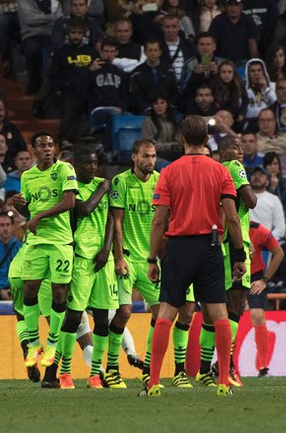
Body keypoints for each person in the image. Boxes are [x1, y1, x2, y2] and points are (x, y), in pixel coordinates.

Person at [144, 115, 245, 397]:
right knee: (218, 313)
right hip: (210, 247)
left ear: (182, 139)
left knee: (167, 311)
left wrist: (152, 259)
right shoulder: (220, 171)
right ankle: (223, 381)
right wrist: (238, 255)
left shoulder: (169, 172)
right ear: (207, 139)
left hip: (178, 248)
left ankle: (153, 383)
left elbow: (159, 220)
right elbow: (233, 218)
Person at [11, 132, 77, 372]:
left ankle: (52, 342)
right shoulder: (28, 176)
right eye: (42, 146)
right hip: (37, 241)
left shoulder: (65, 170)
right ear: (34, 150)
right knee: (29, 288)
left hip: (60, 241)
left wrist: (37, 215)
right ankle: (33, 343)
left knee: (59, 293)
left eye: (51, 145)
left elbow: (69, 202)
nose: (48, 149)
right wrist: (23, 208)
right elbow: (30, 212)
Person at [196, 135, 257, 389]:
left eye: (242, 146)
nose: (240, 151)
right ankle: (226, 364)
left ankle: (203, 369)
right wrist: (241, 245)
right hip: (233, 245)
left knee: (213, 312)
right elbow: (251, 201)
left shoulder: (216, 171)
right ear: (222, 152)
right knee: (235, 304)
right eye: (235, 147)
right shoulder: (233, 167)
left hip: (216, 244)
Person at [54, 146, 117, 390]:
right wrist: (102, 189)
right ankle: (66, 373)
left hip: (103, 259)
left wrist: (107, 249)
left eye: (94, 163)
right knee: (73, 316)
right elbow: (84, 210)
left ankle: (94, 374)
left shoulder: (104, 184)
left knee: (102, 319)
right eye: (86, 164)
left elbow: (112, 217)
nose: (92, 167)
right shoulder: (72, 187)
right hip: (81, 257)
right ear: (75, 165)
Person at [105, 138, 160, 389]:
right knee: (124, 312)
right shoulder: (121, 182)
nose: (150, 161)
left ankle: (149, 369)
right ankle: (112, 369)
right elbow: (116, 222)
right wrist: (118, 257)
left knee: (161, 314)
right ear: (134, 157)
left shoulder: (161, 181)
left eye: (153, 156)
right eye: (145, 156)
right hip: (127, 256)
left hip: (151, 260)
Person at [49, 18, 97, 143]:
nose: (76, 36)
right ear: (68, 34)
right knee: (72, 102)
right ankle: (64, 139)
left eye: (79, 33)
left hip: (90, 90)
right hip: (68, 91)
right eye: (73, 33)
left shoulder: (92, 52)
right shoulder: (60, 53)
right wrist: (86, 71)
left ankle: (94, 138)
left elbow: (97, 73)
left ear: (84, 34)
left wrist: (83, 74)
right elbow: (54, 79)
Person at [247, 221, 284, 377]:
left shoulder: (258, 230)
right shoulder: (222, 227)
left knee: (257, 315)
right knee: (224, 319)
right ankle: (222, 364)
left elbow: (279, 253)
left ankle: (263, 366)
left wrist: (265, 279)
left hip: (254, 277)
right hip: (229, 276)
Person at [129, 39, 180, 114]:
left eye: (155, 50)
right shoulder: (136, 73)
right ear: (145, 52)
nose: (153, 53)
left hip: (167, 111)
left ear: (160, 52)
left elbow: (175, 93)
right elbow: (135, 97)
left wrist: (167, 106)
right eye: (150, 50)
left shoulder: (169, 71)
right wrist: (149, 108)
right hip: (145, 112)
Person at [249, 166, 286, 240]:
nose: (257, 177)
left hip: (266, 245)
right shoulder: (242, 197)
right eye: (254, 175)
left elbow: (280, 228)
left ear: (267, 182)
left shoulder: (274, 200)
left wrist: (266, 239)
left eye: (261, 175)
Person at [0, 212, 22, 300]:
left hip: (18, 290)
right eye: (2, 225)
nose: (5, 228)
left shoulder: (20, 247)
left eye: (8, 224)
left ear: (12, 226)